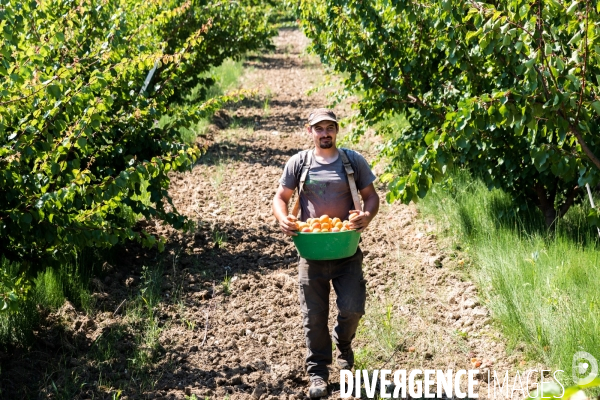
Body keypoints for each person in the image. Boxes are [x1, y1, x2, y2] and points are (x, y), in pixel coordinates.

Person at [272, 108, 380, 398]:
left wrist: (366, 217)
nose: (324, 133)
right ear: (310, 131)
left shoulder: (352, 161)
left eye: (329, 127)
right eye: (318, 128)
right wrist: (283, 218)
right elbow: (281, 198)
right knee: (314, 316)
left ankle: (343, 344)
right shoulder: (299, 163)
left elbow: (371, 197)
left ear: (337, 129)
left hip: (346, 250)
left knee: (352, 308)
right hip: (312, 252)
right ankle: (318, 372)